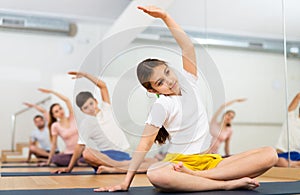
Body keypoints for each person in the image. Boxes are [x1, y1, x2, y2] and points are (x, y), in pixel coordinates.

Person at [95, 6, 278, 192]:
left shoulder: (190, 82)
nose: (170, 81)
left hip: (210, 163)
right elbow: (144, 144)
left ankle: (199, 178)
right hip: (179, 165)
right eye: (160, 82)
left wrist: (165, 17)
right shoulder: (162, 105)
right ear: (152, 90)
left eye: (167, 72)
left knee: (270, 154)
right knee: (155, 174)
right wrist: (126, 183)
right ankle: (226, 184)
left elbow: (187, 46)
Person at [52, 71, 157, 174]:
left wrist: (85, 75)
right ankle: (128, 167)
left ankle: (117, 169)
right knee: (87, 153)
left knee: (153, 161)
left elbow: (102, 86)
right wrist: (69, 168)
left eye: (91, 103)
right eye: (86, 108)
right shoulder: (86, 123)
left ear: (96, 101)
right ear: (83, 111)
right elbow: (80, 147)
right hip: (106, 156)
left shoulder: (106, 109)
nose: (90, 108)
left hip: (123, 155)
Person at [38, 88, 84, 167]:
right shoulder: (55, 126)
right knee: (55, 159)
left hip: (82, 152)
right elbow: (54, 144)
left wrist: (52, 91)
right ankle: (77, 162)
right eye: (56, 111)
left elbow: (67, 100)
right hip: (69, 154)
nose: (60, 111)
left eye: (60, 108)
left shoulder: (72, 117)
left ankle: (78, 161)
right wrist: (48, 161)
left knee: (90, 155)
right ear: (54, 115)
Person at [276, 92, 300, 167]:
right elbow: (297, 98)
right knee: (278, 160)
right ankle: (292, 164)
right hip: (283, 154)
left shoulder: (291, 119)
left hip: (296, 155)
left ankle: (292, 164)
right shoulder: (291, 119)